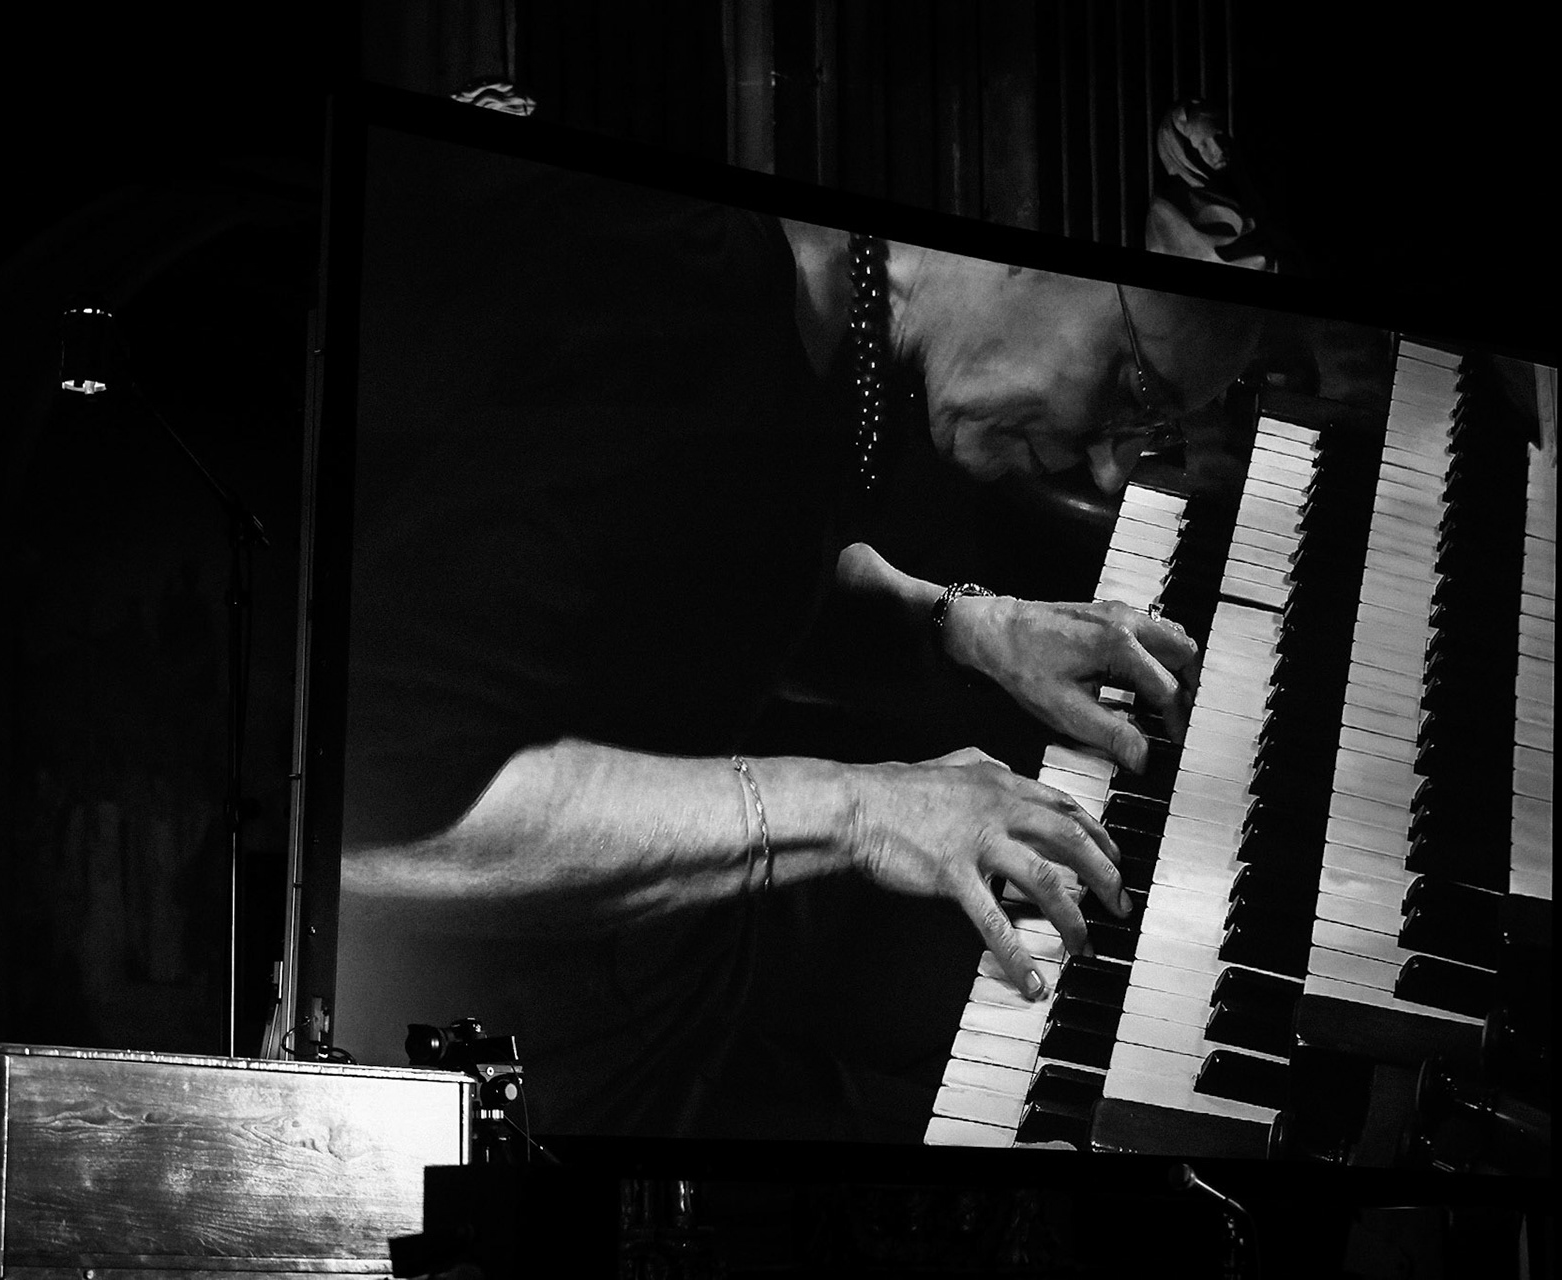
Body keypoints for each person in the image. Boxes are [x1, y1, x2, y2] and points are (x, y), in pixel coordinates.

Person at [334, 125, 1265, 1138]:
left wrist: (965, 624)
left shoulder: (834, 310)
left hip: (668, 969)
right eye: (1136, 391)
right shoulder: (660, 298)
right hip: (490, 1056)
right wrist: (858, 807)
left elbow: (676, 546)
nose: (1110, 470)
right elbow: (385, 806)